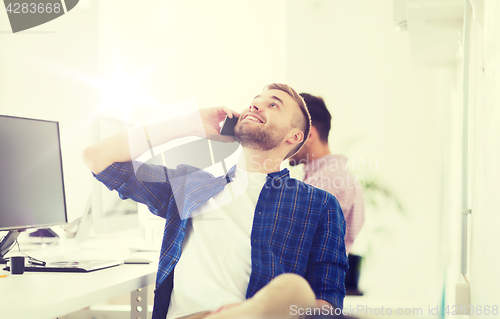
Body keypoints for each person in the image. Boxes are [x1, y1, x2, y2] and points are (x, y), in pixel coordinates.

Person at [82, 83, 348, 319]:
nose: (255, 104)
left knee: (294, 291)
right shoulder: (190, 184)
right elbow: (97, 158)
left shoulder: (319, 205)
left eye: (273, 104)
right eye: (255, 100)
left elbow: (328, 303)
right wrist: (188, 124)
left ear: (294, 137)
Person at [289, 93, 364, 254]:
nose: (285, 141)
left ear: (309, 135)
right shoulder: (335, 176)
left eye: (290, 134)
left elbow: (294, 243)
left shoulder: (325, 181)